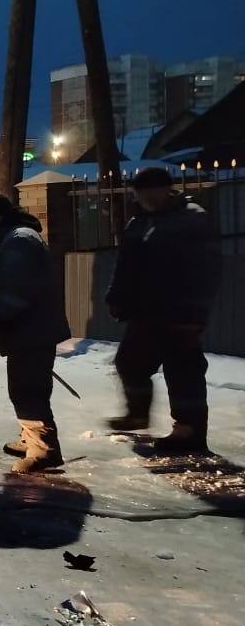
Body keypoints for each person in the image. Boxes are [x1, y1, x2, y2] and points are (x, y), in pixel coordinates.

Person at [104, 165, 219, 455]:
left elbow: (205, 271)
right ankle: (138, 414)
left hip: (180, 311)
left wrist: (195, 314)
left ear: (166, 189)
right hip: (146, 311)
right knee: (130, 362)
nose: (146, 197)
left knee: (183, 371)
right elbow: (126, 264)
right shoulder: (139, 221)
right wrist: (116, 296)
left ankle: (189, 431)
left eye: (151, 191)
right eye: (141, 192)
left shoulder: (190, 219)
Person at [0, 193, 71, 473]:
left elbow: (17, 289)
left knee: (27, 388)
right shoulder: (20, 236)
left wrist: (3, 315)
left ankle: (43, 450)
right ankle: (30, 438)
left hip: (29, 330)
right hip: (33, 328)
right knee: (28, 385)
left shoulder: (18, 241)